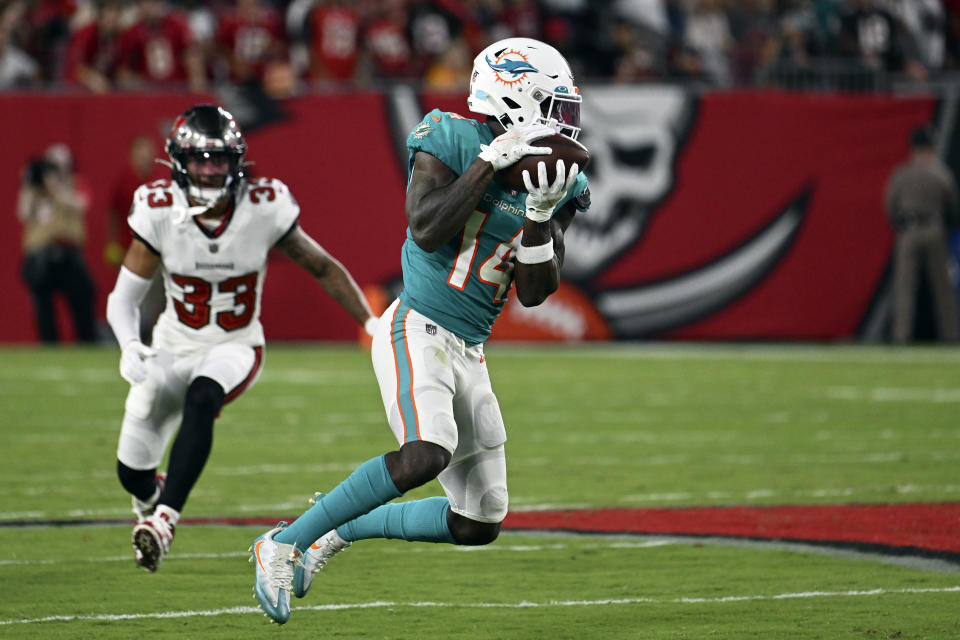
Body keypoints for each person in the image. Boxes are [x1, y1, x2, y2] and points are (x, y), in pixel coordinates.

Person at [250, 37, 590, 625]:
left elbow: (535, 293)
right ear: (517, 98)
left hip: (471, 349)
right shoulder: (451, 137)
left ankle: (337, 530)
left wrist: (537, 217)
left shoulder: (557, 179)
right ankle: (281, 542)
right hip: (417, 325)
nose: (564, 122)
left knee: (478, 522)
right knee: (426, 454)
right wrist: (492, 160)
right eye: (554, 106)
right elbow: (427, 227)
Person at [106, 104, 378, 572]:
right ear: (178, 161)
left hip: (235, 345)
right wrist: (131, 344)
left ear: (237, 162)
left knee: (203, 397)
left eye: (219, 159)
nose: (210, 171)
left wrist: (371, 324)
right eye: (199, 159)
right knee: (131, 474)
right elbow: (123, 298)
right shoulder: (159, 209)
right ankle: (153, 497)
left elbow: (321, 266)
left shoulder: (264, 205)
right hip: (172, 344)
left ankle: (164, 521)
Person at [885, 124, 960, 344]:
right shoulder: (940, 174)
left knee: (906, 286)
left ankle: (901, 335)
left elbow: (890, 205)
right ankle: (952, 335)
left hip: (909, 230)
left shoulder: (902, 174)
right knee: (942, 286)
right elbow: (953, 205)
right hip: (934, 228)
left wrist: (900, 225)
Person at [17, 143, 97, 344]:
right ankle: (49, 344)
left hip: (68, 251)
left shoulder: (75, 183)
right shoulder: (34, 190)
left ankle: (86, 342)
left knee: (81, 299)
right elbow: (23, 213)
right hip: (40, 253)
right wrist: (28, 184)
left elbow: (81, 204)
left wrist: (55, 189)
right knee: (43, 306)